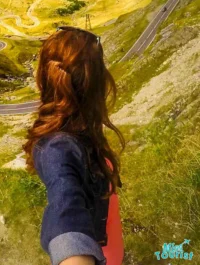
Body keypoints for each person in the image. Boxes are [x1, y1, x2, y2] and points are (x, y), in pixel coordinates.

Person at [22, 25, 125, 265]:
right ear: (96, 85)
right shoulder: (57, 149)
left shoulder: (79, 128)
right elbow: (65, 207)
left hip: (108, 245)